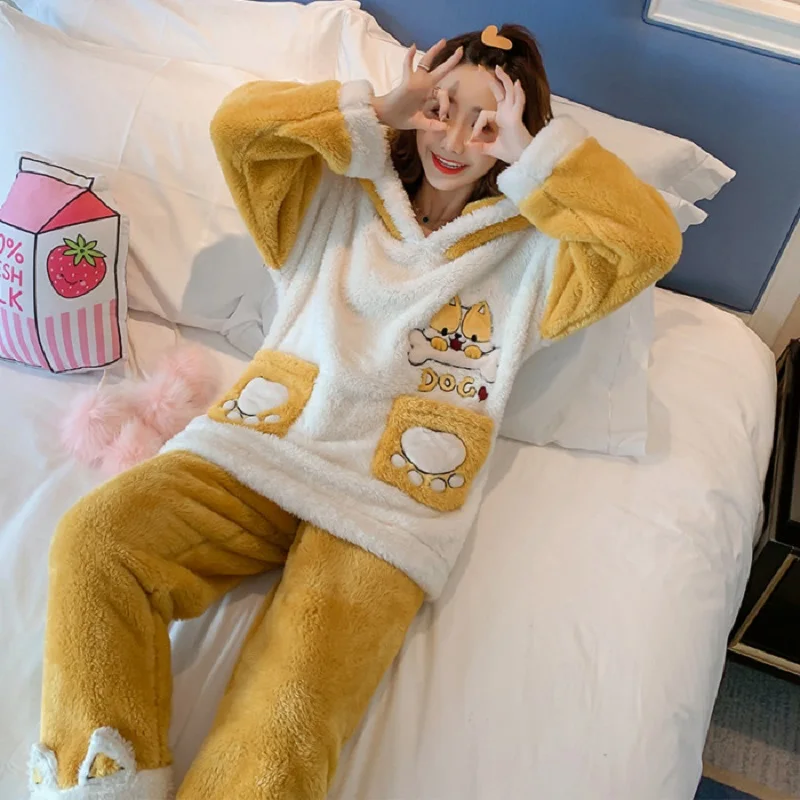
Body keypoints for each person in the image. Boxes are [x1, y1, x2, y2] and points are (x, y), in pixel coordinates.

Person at [29, 24, 682, 800]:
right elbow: (237, 129)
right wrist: (380, 109)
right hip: (265, 447)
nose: (456, 140)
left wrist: (535, 156)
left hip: (388, 505)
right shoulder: (332, 191)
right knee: (97, 539)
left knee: (291, 708)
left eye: (486, 124)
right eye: (444, 108)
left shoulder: (540, 251)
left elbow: (648, 243)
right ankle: (102, 783)